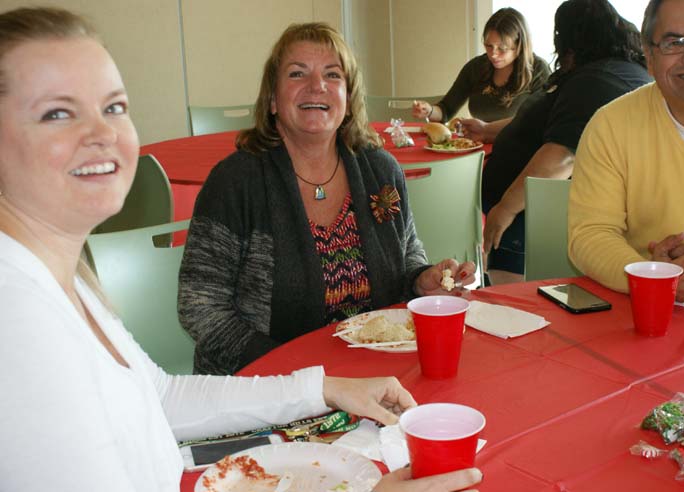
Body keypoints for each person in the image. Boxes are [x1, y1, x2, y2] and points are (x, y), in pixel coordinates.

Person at [0, 7, 483, 492]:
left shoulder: (63, 285)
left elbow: (162, 396)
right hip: (266, 389)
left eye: (114, 108)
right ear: (272, 99)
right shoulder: (18, 319)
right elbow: (201, 310)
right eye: (56, 112)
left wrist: (324, 388)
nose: (102, 134)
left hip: (342, 390)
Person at [178, 22, 476, 375]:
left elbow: (407, 255)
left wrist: (421, 279)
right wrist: (295, 372)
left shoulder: (380, 170)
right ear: (273, 99)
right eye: (297, 73)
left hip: (368, 377)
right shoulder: (236, 181)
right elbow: (201, 307)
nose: (317, 86)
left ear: (348, 99)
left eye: (332, 75)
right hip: (259, 390)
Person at [463, 0, 651, 285]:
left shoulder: (597, 81)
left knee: (515, 311)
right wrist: (488, 130)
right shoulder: (615, 72)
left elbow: (563, 155)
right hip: (530, 218)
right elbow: (545, 124)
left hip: (528, 222)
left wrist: (506, 209)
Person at [568, 0, 684, 302]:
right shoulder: (611, 125)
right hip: (641, 311)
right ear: (648, 56)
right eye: (675, 42)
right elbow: (590, 234)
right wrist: (650, 273)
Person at [412, 7, 550, 132]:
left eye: (502, 48)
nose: (494, 54)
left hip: (519, 149)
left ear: (520, 45)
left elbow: (538, 121)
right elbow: (446, 110)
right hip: (478, 146)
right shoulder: (475, 68)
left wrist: (486, 129)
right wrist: (429, 111)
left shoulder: (538, 70)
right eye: (489, 46)